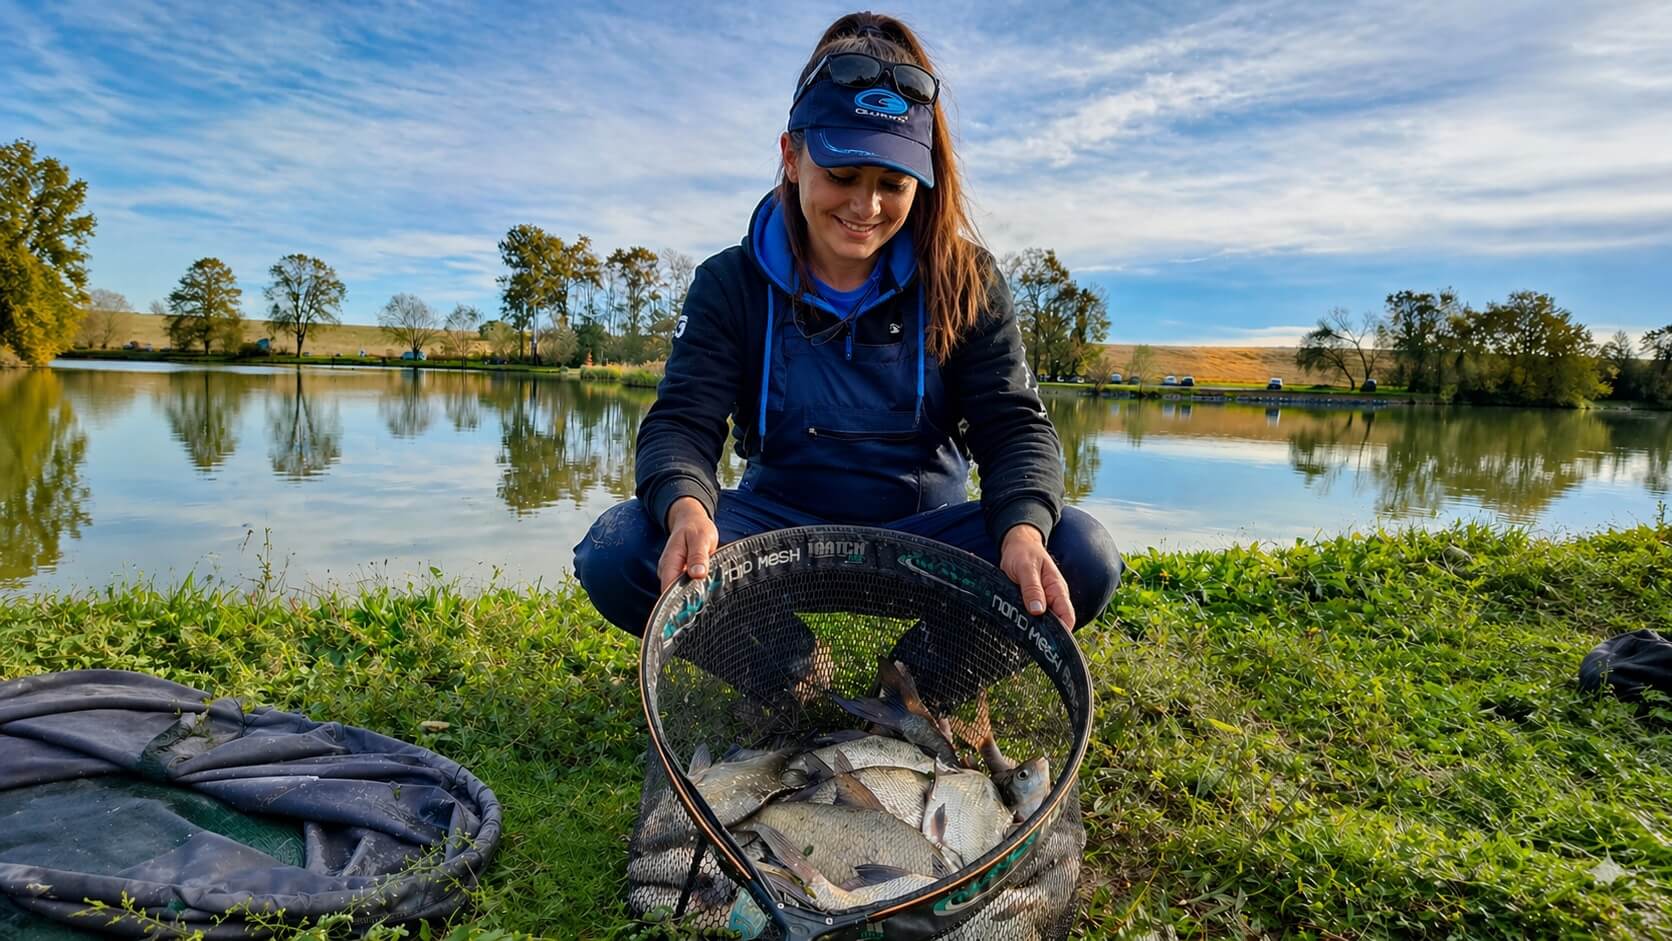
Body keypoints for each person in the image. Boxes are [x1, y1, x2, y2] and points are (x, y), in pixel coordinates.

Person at [575, 12, 1122, 655]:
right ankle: (794, 682)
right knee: (619, 550)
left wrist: (1024, 530)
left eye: (893, 185)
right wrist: (687, 507)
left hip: (928, 549)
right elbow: (680, 425)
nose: (866, 209)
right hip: (771, 548)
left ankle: (917, 688)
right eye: (841, 176)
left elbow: (1015, 427)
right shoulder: (730, 282)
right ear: (791, 155)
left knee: (1082, 554)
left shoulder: (968, 278)